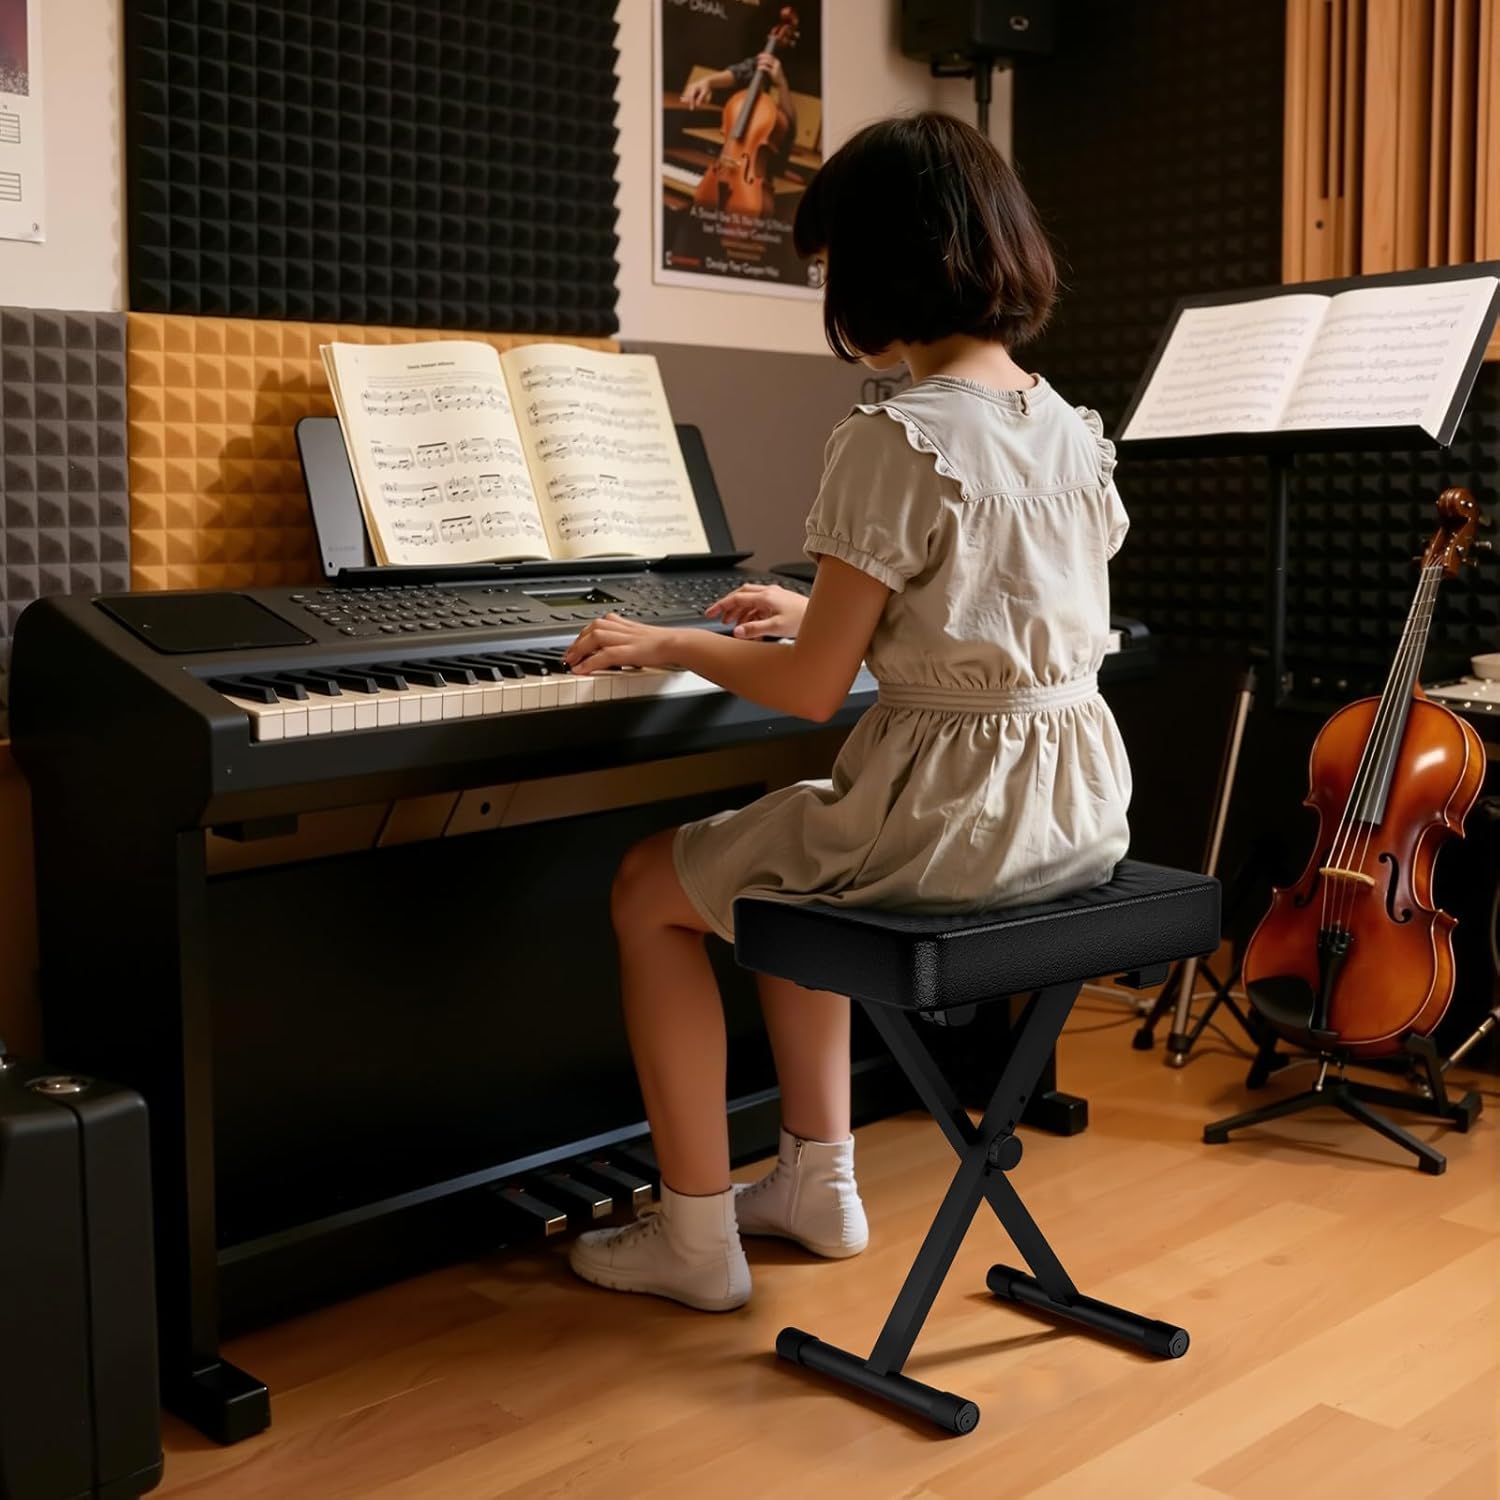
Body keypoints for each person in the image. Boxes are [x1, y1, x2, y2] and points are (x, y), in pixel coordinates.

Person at [561, 112, 1132, 1313]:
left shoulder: (893, 433)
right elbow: (983, 608)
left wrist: (674, 640)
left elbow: (814, 689)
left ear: (882, 265)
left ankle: (695, 1234)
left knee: (650, 891)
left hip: (951, 826)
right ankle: (818, 1186)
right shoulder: (1071, 429)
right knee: (783, 856)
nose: (827, 294)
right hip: (1074, 811)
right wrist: (825, 601)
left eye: (829, 267)